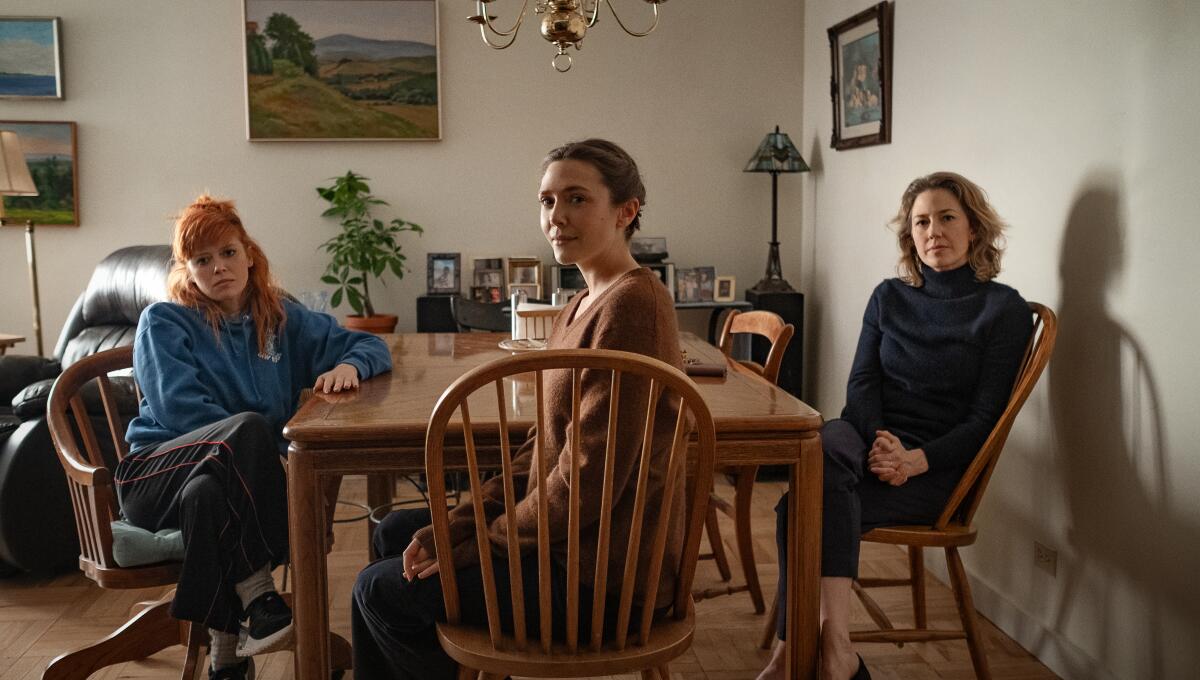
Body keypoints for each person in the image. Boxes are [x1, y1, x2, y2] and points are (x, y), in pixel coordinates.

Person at [352, 139, 684, 679]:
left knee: (380, 589)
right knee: (396, 532)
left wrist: (482, 541)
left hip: (598, 575)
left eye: (576, 199)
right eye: (547, 201)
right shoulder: (580, 302)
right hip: (571, 541)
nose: (556, 217)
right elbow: (541, 449)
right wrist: (463, 520)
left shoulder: (633, 306)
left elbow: (586, 480)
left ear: (627, 211)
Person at [758, 173, 1032, 680]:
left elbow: (986, 420)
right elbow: (861, 385)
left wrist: (914, 460)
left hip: (938, 469)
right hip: (866, 437)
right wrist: (883, 444)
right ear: (910, 234)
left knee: (802, 500)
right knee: (820, 448)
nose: (934, 231)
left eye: (947, 217)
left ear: (975, 228)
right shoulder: (888, 296)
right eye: (921, 221)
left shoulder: (1004, 310)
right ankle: (835, 654)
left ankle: (794, 653)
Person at [114, 195, 393, 680]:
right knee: (245, 431)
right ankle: (261, 593)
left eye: (227, 252)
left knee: (209, 494)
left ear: (248, 252)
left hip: (221, 488)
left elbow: (368, 342)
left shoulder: (279, 317)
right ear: (188, 271)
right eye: (203, 260)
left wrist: (349, 365)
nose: (219, 267)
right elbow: (183, 415)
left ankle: (226, 655)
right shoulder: (163, 322)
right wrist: (264, 452)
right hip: (156, 475)